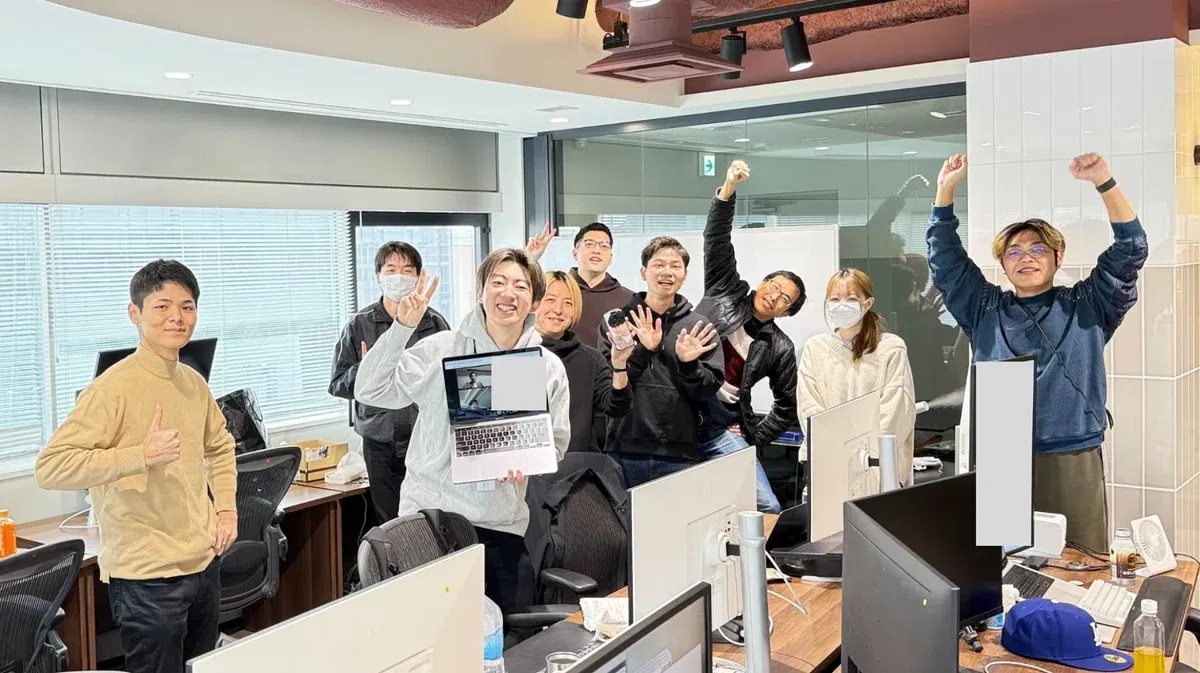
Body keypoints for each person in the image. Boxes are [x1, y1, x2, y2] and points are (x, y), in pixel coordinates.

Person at [927, 153, 1147, 551]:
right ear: (1002, 264)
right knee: (1004, 566)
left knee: (1079, 561)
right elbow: (945, 261)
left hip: (1071, 452)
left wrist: (1104, 181)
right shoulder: (983, 308)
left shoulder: (1088, 305)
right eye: (1013, 252)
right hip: (1000, 454)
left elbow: (1131, 248)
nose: (1025, 257)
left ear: (1058, 258)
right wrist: (945, 191)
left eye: (1038, 249)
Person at [35, 260, 237, 673]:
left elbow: (220, 447)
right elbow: (51, 467)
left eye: (186, 306)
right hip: (147, 578)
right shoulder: (111, 389)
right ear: (135, 313)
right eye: (162, 306)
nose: (176, 317)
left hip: (203, 564)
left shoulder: (193, 382)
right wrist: (138, 456)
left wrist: (227, 510)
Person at [354, 250, 571, 614]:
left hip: (502, 524)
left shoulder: (547, 367)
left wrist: (529, 460)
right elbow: (369, 390)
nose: (508, 293)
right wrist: (402, 327)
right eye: (498, 282)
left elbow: (557, 441)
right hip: (431, 521)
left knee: (510, 636)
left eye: (520, 286)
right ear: (479, 291)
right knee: (432, 633)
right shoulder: (441, 348)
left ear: (534, 301)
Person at [696, 160, 806, 514]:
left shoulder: (780, 347)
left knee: (767, 506)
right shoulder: (724, 290)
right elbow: (716, 239)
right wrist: (728, 188)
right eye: (773, 285)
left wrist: (752, 437)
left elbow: (786, 407)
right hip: (681, 411)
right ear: (761, 282)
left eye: (784, 298)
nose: (774, 296)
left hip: (721, 424)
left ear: (787, 312)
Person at [329, 242, 450, 523]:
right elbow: (338, 384)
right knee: (390, 523)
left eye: (407, 270)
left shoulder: (434, 323)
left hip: (426, 440)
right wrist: (369, 368)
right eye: (391, 270)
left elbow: (449, 380)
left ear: (418, 277)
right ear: (378, 277)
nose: (399, 277)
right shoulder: (359, 325)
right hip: (379, 442)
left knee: (430, 520)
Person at [600, 236, 724, 487]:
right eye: (658, 265)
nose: (667, 272)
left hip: (679, 451)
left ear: (684, 275)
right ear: (643, 272)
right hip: (623, 445)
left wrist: (689, 364)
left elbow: (707, 390)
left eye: (675, 266)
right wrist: (643, 351)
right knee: (623, 513)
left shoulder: (698, 327)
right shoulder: (617, 322)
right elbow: (607, 384)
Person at [797, 269, 917, 492]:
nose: (841, 305)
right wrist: (836, 448)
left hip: (876, 465)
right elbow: (809, 407)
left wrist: (860, 454)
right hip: (826, 461)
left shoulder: (891, 348)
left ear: (867, 303)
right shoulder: (815, 348)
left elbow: (895, 412)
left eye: (851, 299)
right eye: (835, 299)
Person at [535, 270, 633, 453]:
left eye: (568, 303)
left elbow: (617, 407)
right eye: (550, 300)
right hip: (529, 462)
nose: (558, 310)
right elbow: (511, 420)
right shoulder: (518, 353)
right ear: (534, 303)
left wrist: (619, 365)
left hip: (576, 463)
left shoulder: (590, 359)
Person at [525, 221, 633, 348]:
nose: (596, 250)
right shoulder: (553, 287)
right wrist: (528, 258)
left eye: (604, 246)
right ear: (575, 253)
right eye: (589, 244)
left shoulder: (628, 298)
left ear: (610, 257)